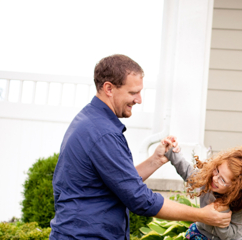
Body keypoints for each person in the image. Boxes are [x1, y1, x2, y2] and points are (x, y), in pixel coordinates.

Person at [52, 54, 231, 239]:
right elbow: (140, 199)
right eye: (132, 93)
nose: (139, 99)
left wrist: (156, 160)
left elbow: (121, 182)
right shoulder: (103, 133)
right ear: (109, 88)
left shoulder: (91, 121)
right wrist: (202, 215)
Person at [153, 145, 242, 240]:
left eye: (222, 179)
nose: (215, 179)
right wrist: (170, 152)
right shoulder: (207, 182)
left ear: (236, 187)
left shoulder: (239, 203)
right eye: (217, 171)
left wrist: (220, 218)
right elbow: (187, 171)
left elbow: (232, 235)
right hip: (201, 234)